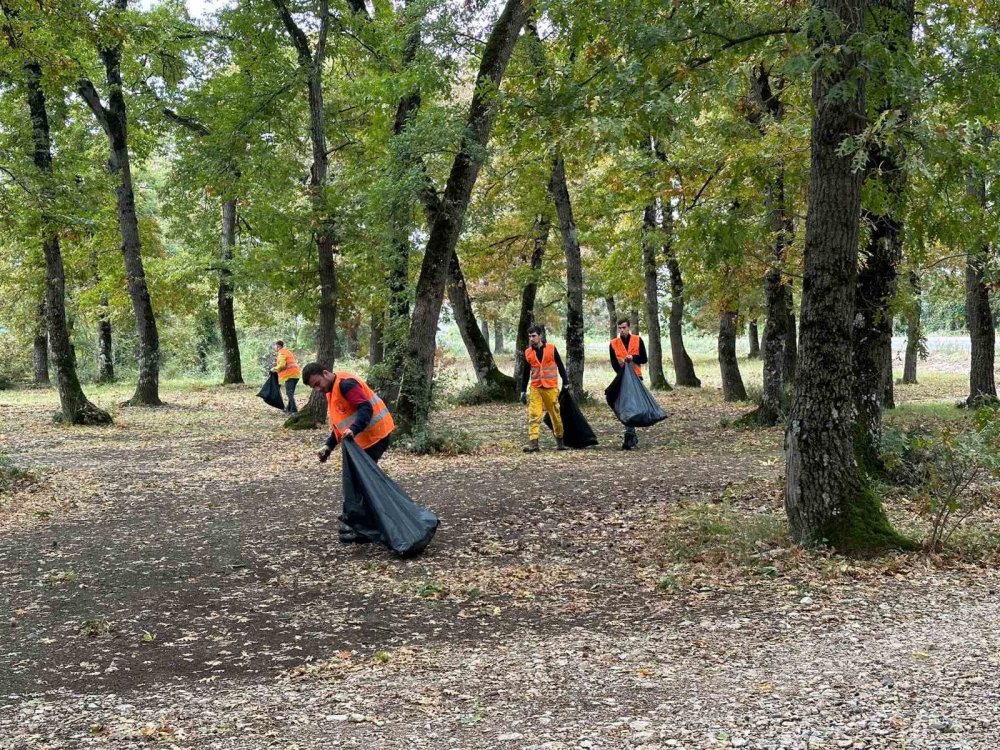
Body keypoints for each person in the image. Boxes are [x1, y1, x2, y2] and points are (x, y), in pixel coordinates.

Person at [302, 362, 395, 543]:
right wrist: (328, 446)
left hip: (376, 436)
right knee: (357, 480)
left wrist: (354, 429)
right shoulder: (332, 390)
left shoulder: (346, 384)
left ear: (326, 373)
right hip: (364, 439)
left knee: (360, 482)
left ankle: (364, 528)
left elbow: (365, 408)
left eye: (317, 383)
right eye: (314, 387)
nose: (318, 389)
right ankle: (359, 524)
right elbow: (341, 423)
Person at [519, 325, 569, 453]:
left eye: (534, 336)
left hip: (550, 387)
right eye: (530, 336)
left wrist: (566, 382)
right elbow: (525, 373)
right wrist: (523, 391)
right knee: (534, 414)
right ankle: (534, 443)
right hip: (535, 387)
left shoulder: (551, 349)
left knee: (555, 414)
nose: (531, 338)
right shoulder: (528, 352)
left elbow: (560, 365)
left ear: (540, 336)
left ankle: (560, 441)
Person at [609, 318, 648, 450]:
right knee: (628, 407)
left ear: (629, 327)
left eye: (624, 327)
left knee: (634, 407)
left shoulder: (637, 340)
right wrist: (622, 373)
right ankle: (630, 435)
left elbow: (644, 358)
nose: (622, 330)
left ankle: (631, 435)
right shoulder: (613, 343)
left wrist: (633, 358)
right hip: (623, 379)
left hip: (637, 378)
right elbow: (614, 363)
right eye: (620, 328)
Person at [271, 340, 301, 414]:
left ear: (278, 346)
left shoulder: (281, 353)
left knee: (289, 393)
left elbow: (282, 365)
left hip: (289, 375)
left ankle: (294, 410)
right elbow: (286, 362)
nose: (274, 347)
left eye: (275, 346)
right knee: (291, 393)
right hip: (296, 374)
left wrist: (274, 369)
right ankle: (288, 408)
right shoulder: (287, 351)